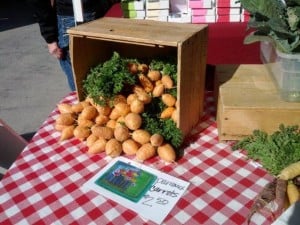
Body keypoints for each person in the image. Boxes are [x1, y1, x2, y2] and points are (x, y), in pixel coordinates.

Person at [27, 0, 115, 91]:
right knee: (95, 70)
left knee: (88, 75)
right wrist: (50, 37)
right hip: (79, 14)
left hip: (81, 13)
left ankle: (87, 101)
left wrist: (49, 37)